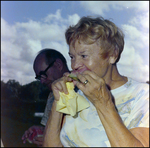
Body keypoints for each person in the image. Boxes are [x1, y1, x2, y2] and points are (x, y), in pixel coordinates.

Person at [43, 16, 149, 147]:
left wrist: (103, 103)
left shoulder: (143, 95)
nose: (75, 65)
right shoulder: (76, 93)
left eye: (84, 56)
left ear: (112, 55)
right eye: (72, 57)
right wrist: (58, 103)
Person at [21, 48, 70, 147]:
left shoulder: (85, 89)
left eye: (43, 74)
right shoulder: (52, 96)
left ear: (58, 65)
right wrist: (42, 131)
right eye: (39, 77)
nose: (42, 81)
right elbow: (54, 129)